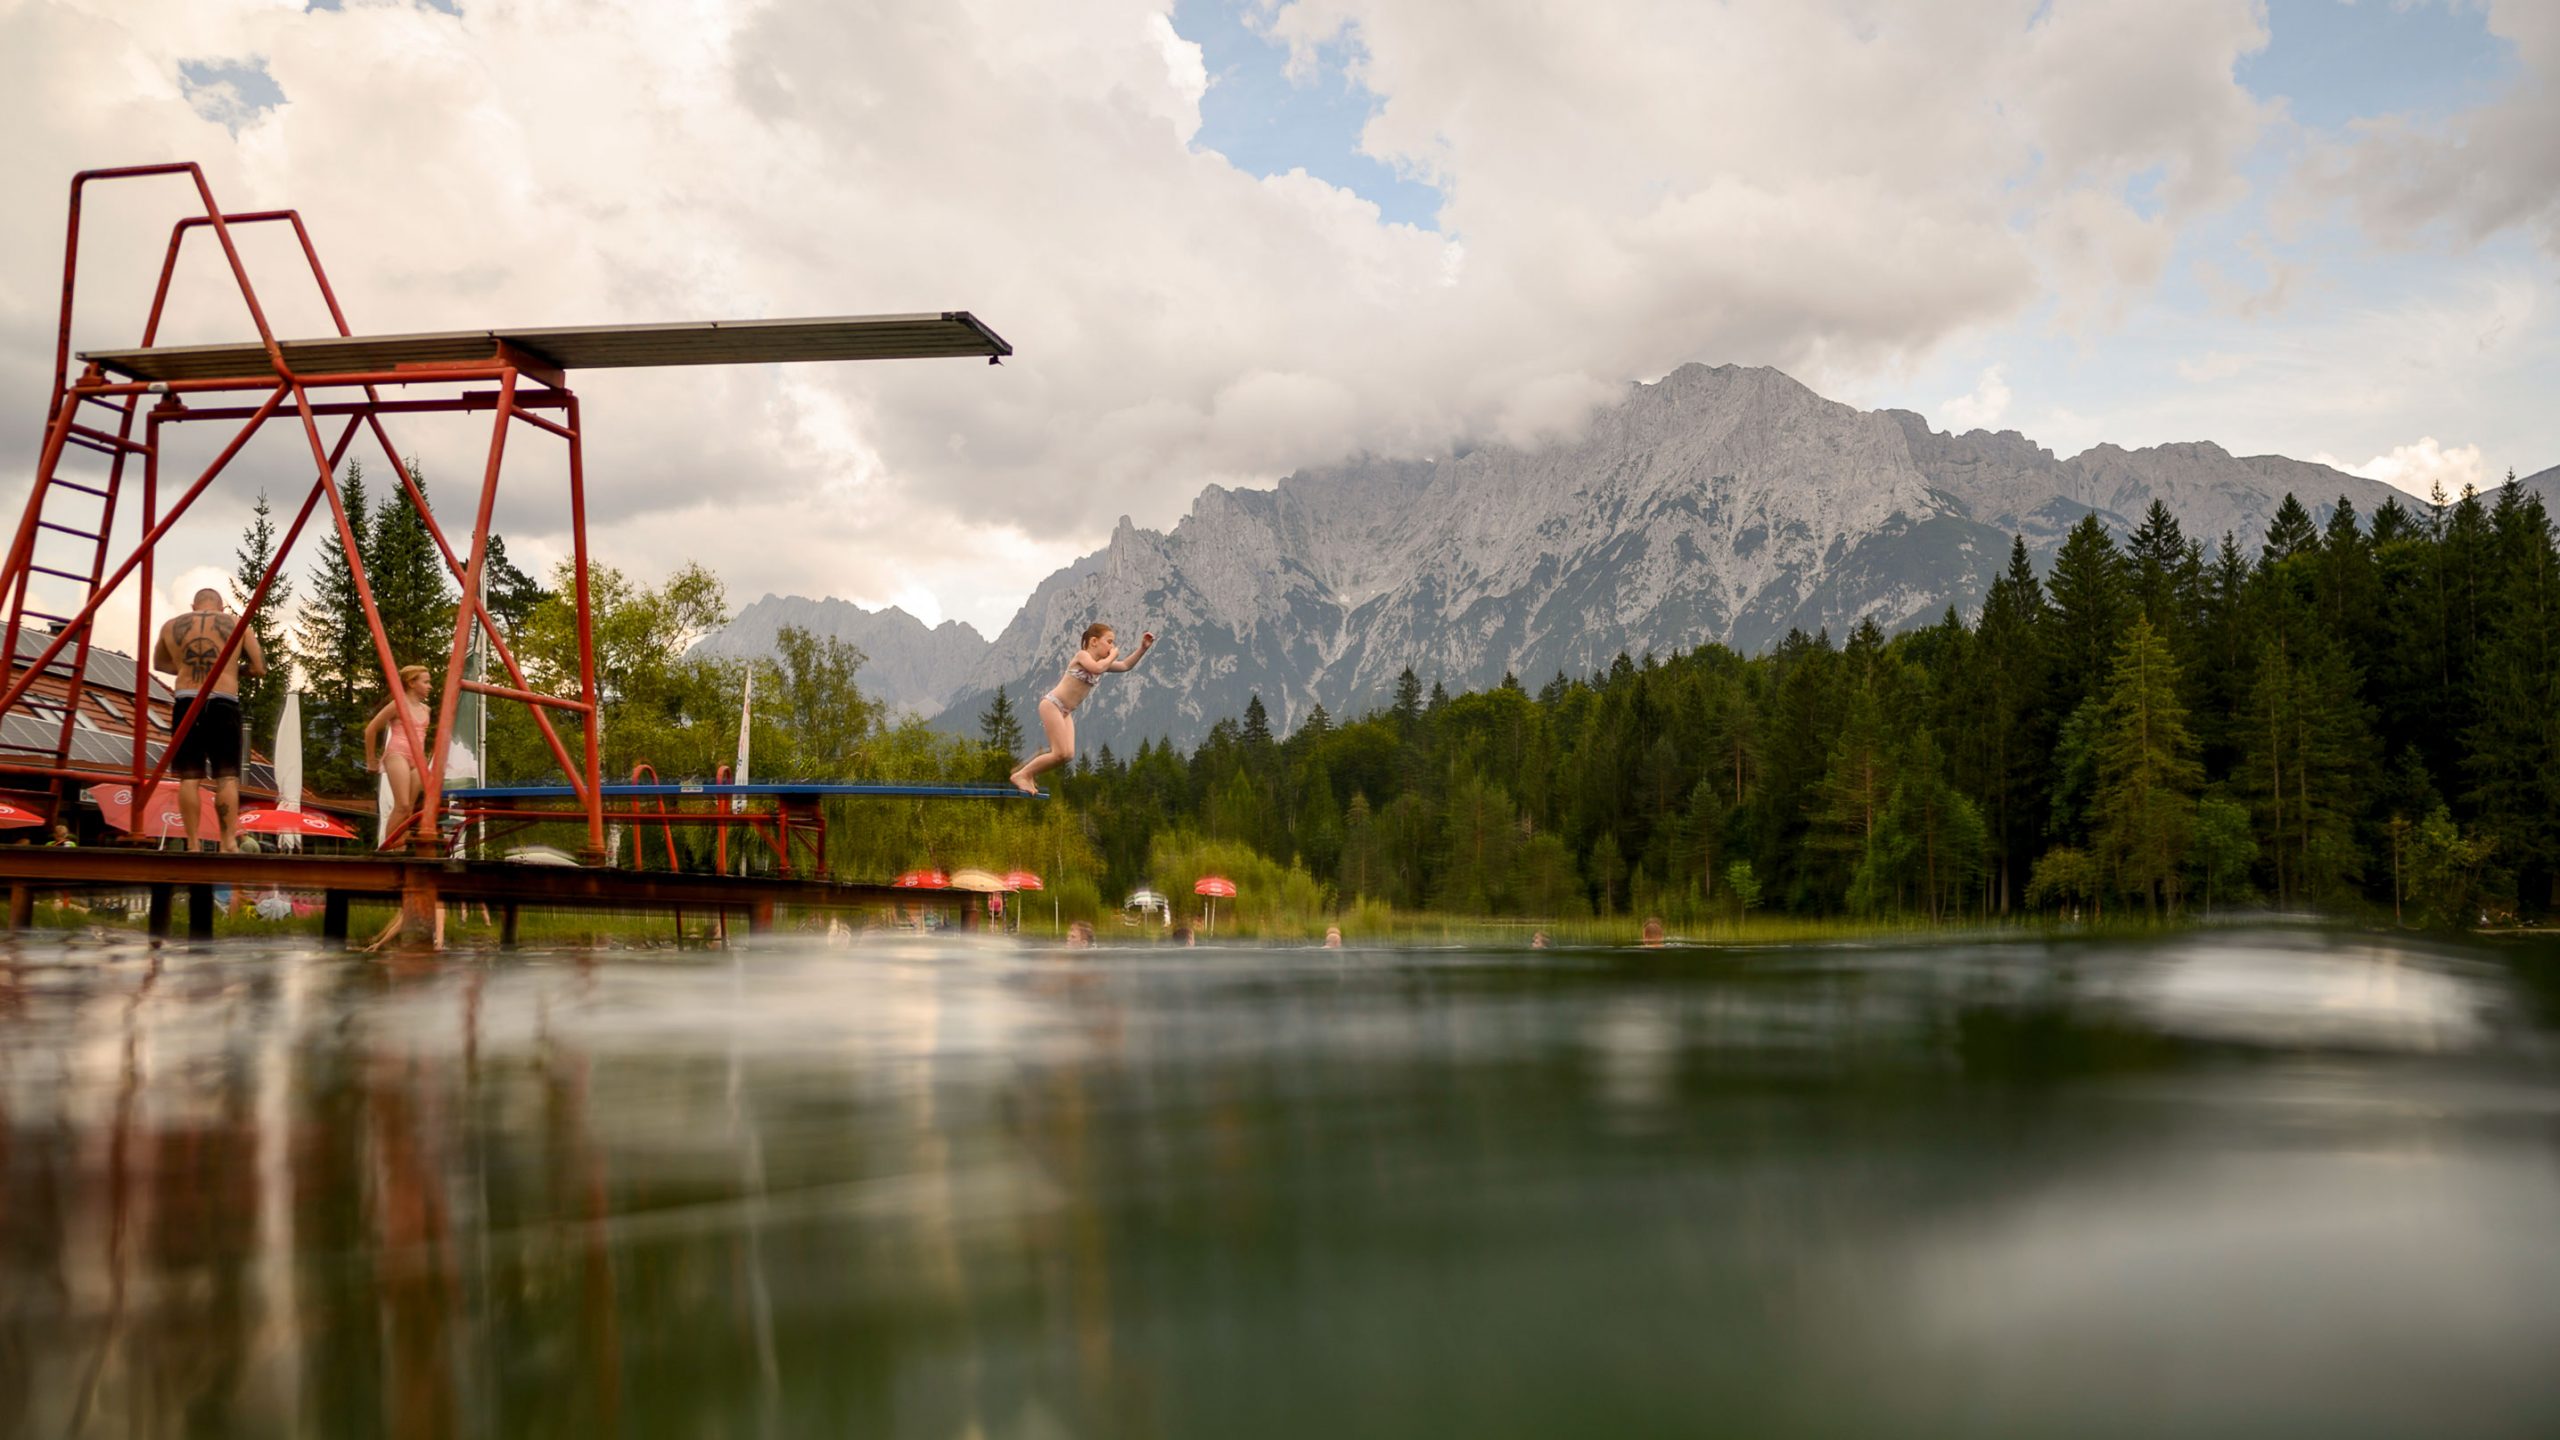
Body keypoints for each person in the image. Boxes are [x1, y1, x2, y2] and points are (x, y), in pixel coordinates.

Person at [152, 587, 265, 851]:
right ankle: (228, 842)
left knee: (189, 777)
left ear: (193, 606)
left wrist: (184, 667)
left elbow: (159, 664)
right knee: (226, 777)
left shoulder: (171, 626)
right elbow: (260, 667)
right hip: (223, 701)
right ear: (222, 607)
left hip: (186, 700)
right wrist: (233, 671)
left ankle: (192, 843)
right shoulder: (236, 624)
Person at [1010, 623, 1156, 794]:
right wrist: (1112, 656)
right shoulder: (1082, 656)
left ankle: (1028, 775)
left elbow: (1125, 666)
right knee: (1058, 752)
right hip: (1052, 705)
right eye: (1109, 642)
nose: (1112, 647)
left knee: (1067, 754)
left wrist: (1143, 649)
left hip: (1065, 712)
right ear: (1094, 641)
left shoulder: (1102, 662)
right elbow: (1098, 668)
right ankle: (1022, 774)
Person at [364, 664, 435, 848]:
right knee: (402, 805)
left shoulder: (426, 709)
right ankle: (387, 848)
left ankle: (399, 846)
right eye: (426, 682)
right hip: (398, 754)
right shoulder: (398, 704)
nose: (430, 686)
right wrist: (371, 759)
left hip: (418, 758)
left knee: (409, 810)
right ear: (412, 683)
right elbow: (371, 729)